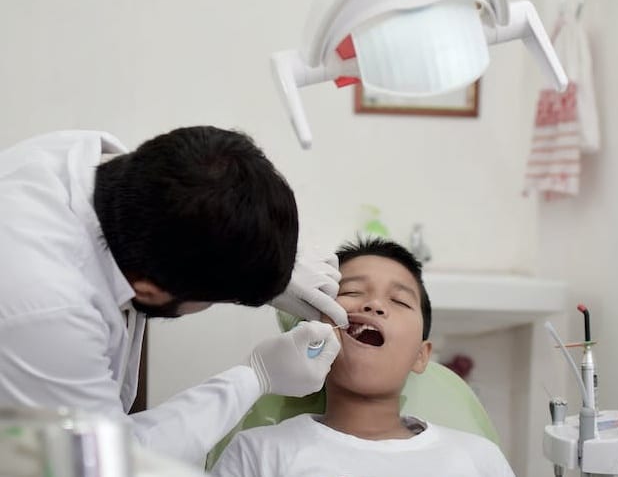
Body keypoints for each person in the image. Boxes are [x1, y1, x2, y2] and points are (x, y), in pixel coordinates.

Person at [0, 127, 347, 465]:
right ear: (148, 290)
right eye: (219, 300)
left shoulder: (90, 163)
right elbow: (116, 463)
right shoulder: (51, 315)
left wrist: (261, 250)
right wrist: (255, 375)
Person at [211, 237, 516, 477]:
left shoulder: (479, 459)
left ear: (420, 356)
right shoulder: (259, 453)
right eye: (352, 291)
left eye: (398, 300)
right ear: (314, 329)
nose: (374, 305)